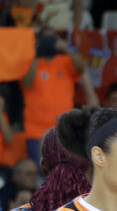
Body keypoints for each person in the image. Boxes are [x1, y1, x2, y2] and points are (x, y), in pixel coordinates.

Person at [22, 32, 87, 162]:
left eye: (51, 40)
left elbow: (81, 67)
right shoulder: (29, 63)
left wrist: (66, 48)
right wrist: (36, 54)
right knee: (40, 169)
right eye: (44, 40)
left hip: (63, 130)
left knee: (65, 168)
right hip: (35, 131)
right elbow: (26, 82)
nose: (48, 43)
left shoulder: (65, 61)